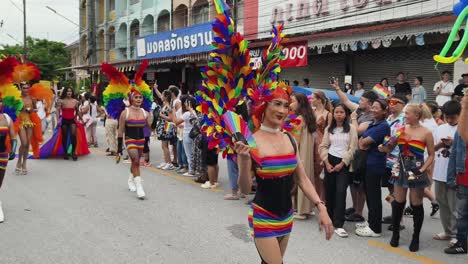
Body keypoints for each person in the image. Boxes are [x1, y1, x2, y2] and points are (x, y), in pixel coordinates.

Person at [234, 85, 333, 263]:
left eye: (286, 105)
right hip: (263, 216)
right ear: (264, 105)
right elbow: (245, 188)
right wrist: (243, 160)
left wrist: (321, 207)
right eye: (277, 104)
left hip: (286, 216)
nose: (282, 110)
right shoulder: (252, 141)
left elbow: (302, 179)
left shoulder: (289, 138)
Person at [379, 104, 435, 252]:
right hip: (400, 167)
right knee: (398, 202)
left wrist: (422, 169)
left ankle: (415, 237)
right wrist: (384, 147)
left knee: (416, 204)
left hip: (416, 169)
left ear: (417, 116)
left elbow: (431, 155)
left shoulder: (426, 132)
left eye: (407, 113)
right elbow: (390, 148)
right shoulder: (401, 130)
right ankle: (395, 234)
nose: (405, 116)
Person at [332, 79, 377, 223]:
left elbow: (357, 131)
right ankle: (354, 207)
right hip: (352, 152)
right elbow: (345, 101)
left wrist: (353, 118)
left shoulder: (370, 117)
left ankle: (359, 212)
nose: (359, 101)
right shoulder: (359, 109)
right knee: (352, 182)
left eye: (362, 100)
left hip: (362, 154)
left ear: (369, 103)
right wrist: (337, 88)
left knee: (359, 184)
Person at [319, 103, 358, 237]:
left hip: (344, 163)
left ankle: (339, 224)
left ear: (346, 114)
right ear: (333, 114)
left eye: (341, 112)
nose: (339, 115)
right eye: (336, 112)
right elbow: (323, 146)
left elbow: (353, 148)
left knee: (341, 192)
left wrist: (343, 163)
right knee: (329, 191)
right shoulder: (329, 128)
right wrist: (326, 162)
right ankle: (328, 219)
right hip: (329, 160)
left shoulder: (351, 129)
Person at [355, 99, 390, 238]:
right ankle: (371, 222)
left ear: (384, 110)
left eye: (377, 108)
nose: (374, 110)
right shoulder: (373, 124)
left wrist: (363, 143)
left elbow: (364, 143)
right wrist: (362, 143)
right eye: (373, 107)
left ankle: (375, 229)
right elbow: (361, 143)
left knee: (374, 196)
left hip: (375, 164)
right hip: (368, 163)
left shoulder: (383, 126)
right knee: (369, 194)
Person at [433, 101, 460, 247]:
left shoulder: (463, 128)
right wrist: (442, 144)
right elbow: (433, 148)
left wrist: (454, 142)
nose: (450, 120)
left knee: (455, 205)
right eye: (447, 117)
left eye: (453, 117)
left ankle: (457, 234)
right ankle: (447, 231)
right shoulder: (440, 128)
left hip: (455, 173)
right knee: (442, 203)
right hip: (440, 171)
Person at [444, 91, 468, 254]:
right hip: (464, 177)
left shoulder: (462, 130)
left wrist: (465, 104)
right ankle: (461, 241)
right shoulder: (461, 130)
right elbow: (454, 154)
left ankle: (461, 242)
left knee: (462, 214)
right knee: (462, 214)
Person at [117, 90, 152, 199]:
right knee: (136, 160)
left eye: (140, 97)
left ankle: (130, 179)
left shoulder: (145, 112)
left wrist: (156, 119)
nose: (138, 99)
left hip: (141, 140)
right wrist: (119, 149)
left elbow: (151, 128)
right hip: (129, 139)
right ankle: (139, 187)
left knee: (135, 162)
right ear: (132, 99)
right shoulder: (125, 112)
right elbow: (120, 130)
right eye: (136, 97)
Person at [290, 92, 318, 219]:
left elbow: (295, 139)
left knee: (299, 178)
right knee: (306, 177)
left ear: (300, 103)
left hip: (300, 151)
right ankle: (306, 208)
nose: (291, 104)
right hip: (307, 152)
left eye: (293, 101)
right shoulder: (309, 117)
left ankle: (300, 210)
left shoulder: (299, 118)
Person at [382, 94, 408, 229]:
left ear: (402, 104)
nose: (390, 104)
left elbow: (398, 138)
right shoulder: (388, 118)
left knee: (397, 189)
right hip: (386, 158)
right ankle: (395, 214)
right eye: (389, 102)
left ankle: (400, 220)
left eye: (394, 102)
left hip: (397, 159)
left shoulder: (404, 119)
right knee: (390, 188)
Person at [57, 87, 81, 161]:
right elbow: (57, 110)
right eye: (67, 91)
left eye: (70, 91)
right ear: (65, 92)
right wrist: (58, 120)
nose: (69, 93)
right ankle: (65, 152)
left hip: (72, 120)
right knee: (64, 136)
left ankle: (73, 152)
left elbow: (77, 111)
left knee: (73, 135)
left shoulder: (75, 101)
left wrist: (81, 119)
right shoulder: (60, 100)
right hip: (64, 120)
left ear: (72, 92)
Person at [156, 90, 176, 170]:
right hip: (163, 126)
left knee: (165, 145)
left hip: (167, 126)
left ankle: (169, 163)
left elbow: (171, 118)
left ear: (166, 97)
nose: (161, 97)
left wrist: (161, 115)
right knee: (163, 145)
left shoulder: (168, 107)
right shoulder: (165, 105)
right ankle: (166, 161)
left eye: (162, 95)